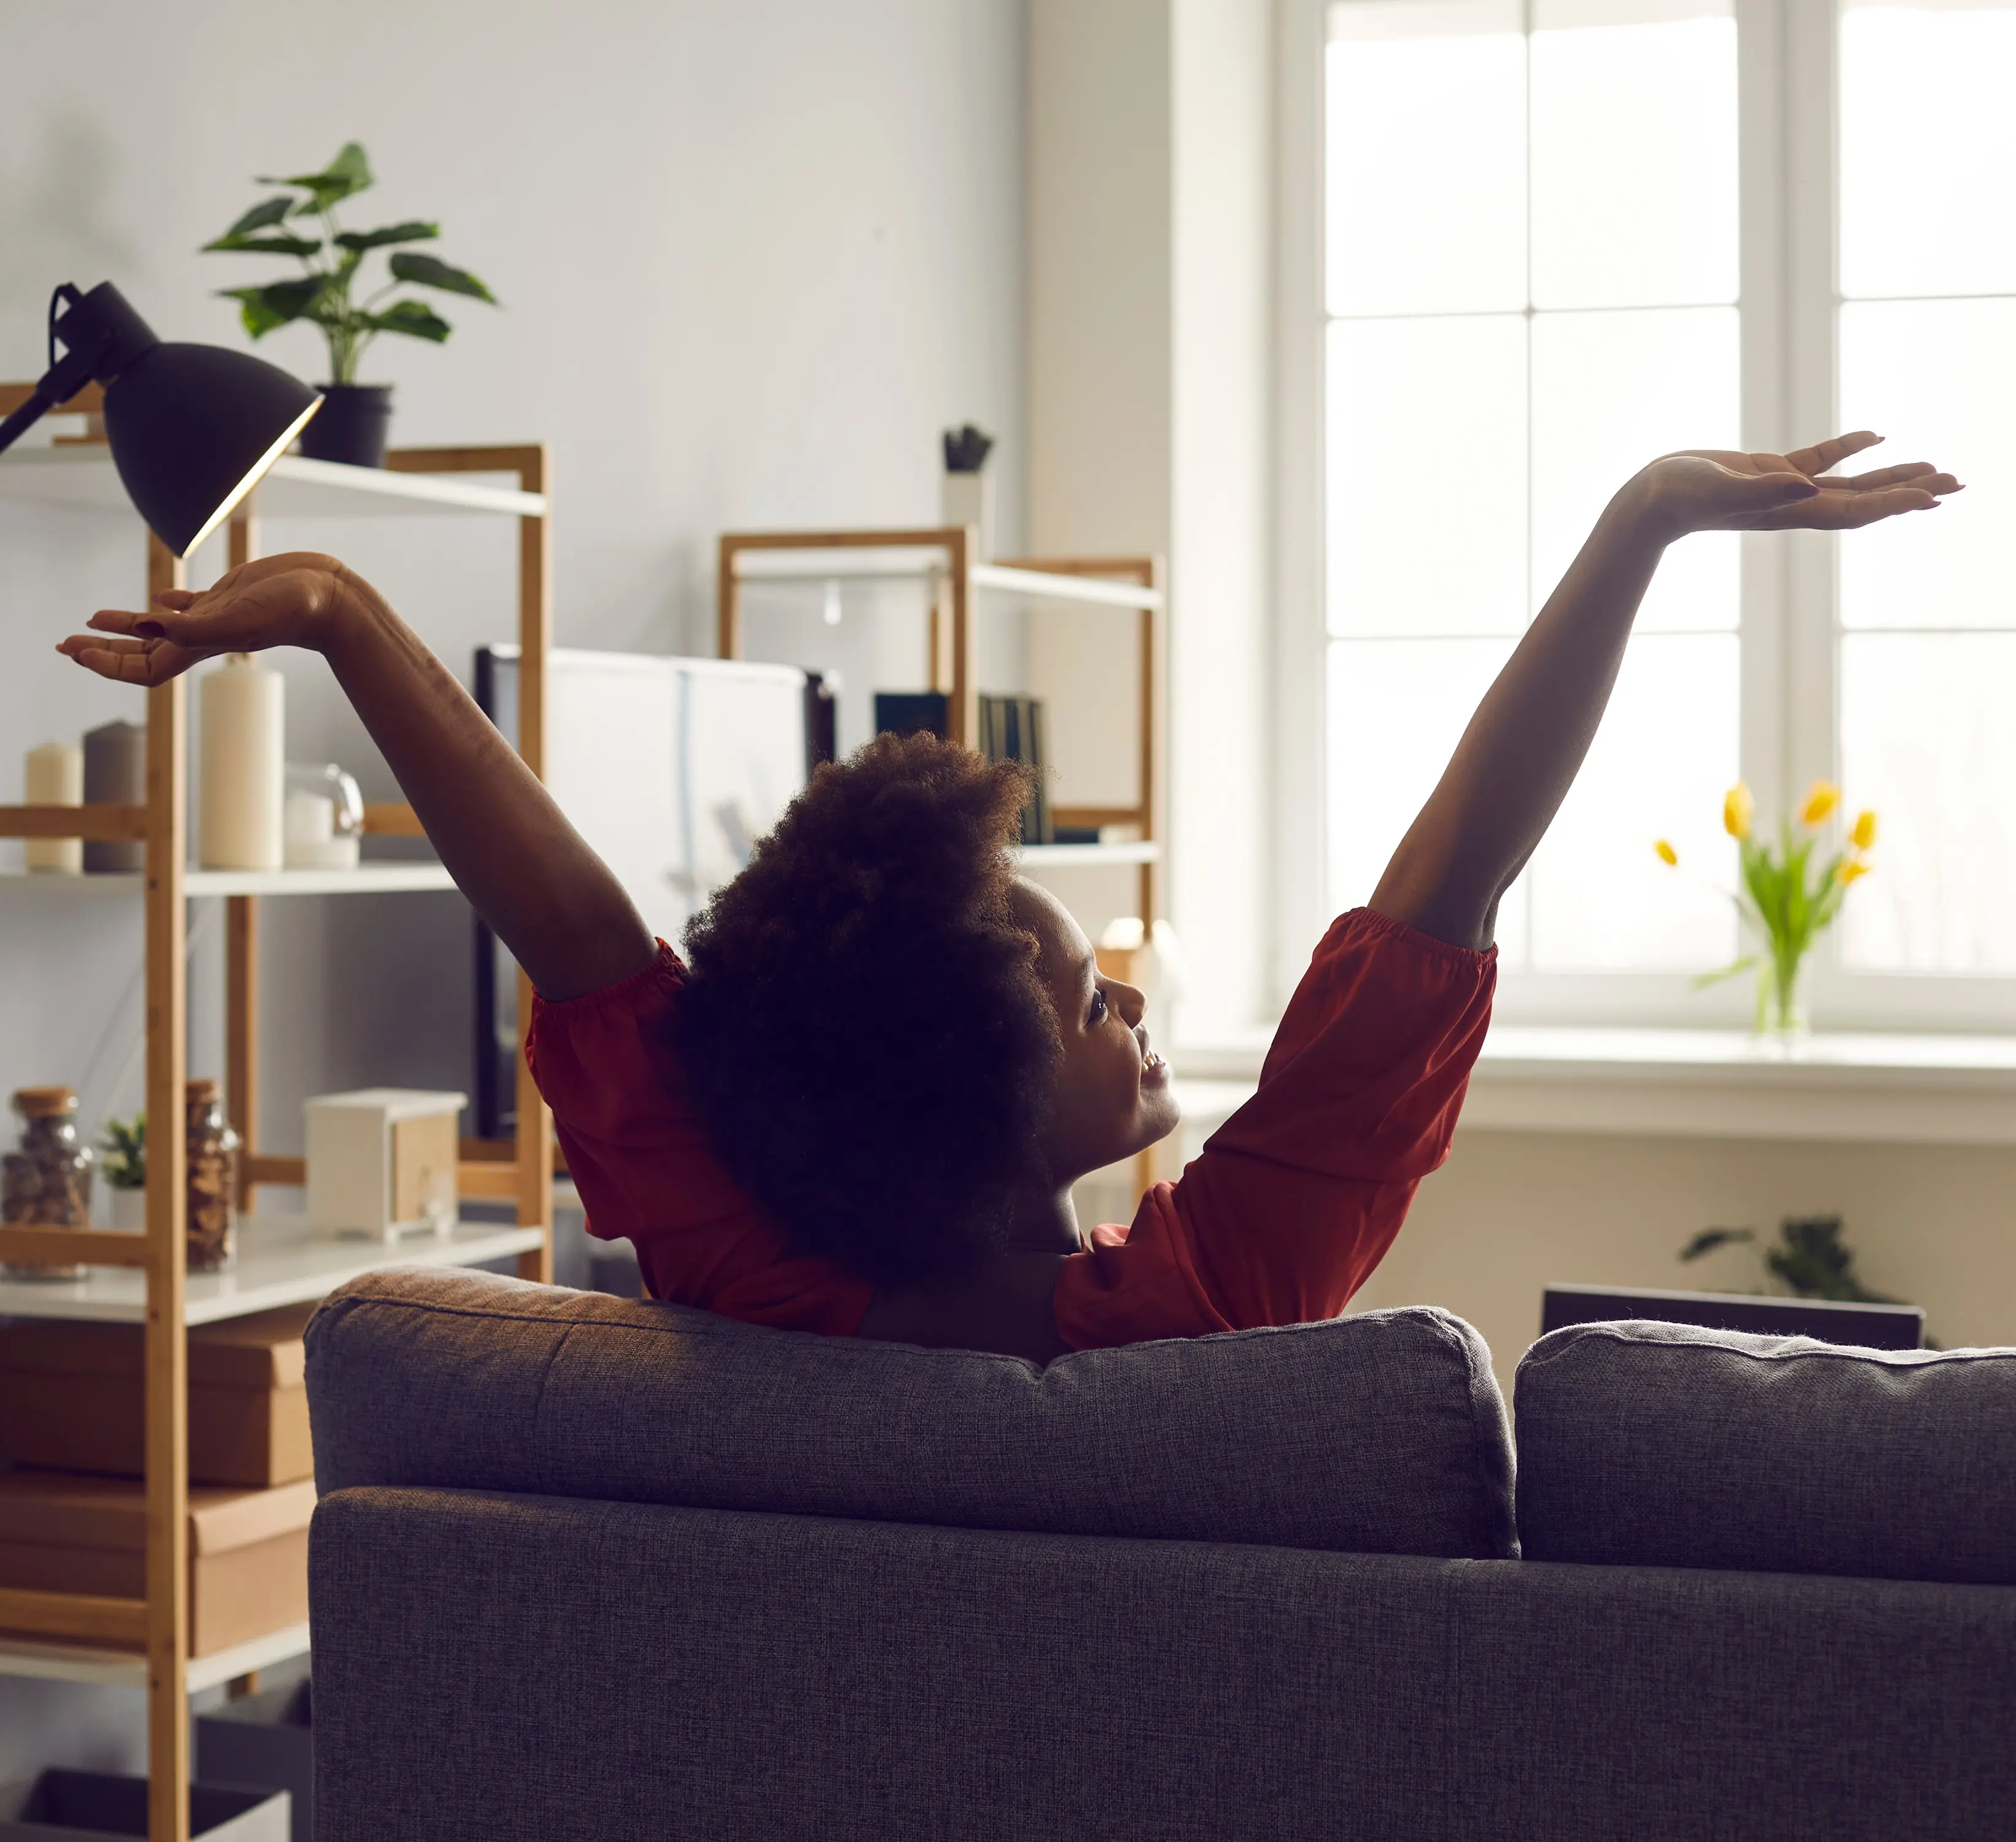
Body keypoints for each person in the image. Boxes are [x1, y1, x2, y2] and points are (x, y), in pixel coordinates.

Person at [60, 433, 1956, 1362]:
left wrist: (334, 611)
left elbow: (577, 941)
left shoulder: (745, 1263)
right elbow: (1447, 892)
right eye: (1084, 998)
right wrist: (1642, 524)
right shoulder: (1199, 1307)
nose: (1127, 1000)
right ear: (967, 1105)